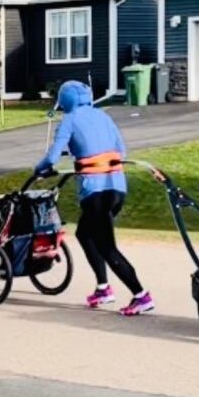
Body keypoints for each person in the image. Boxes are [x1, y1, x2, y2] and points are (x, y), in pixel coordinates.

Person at [35, 81, 154, 316]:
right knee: (84, 233)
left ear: (65, 101)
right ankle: (103, 288)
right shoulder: (104, 117)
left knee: (107, 246)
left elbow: (51, 159)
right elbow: (122, 150)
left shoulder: (68, 120)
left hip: (95, 193)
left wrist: (38, 170)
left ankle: (141, 295)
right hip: (117, 188)